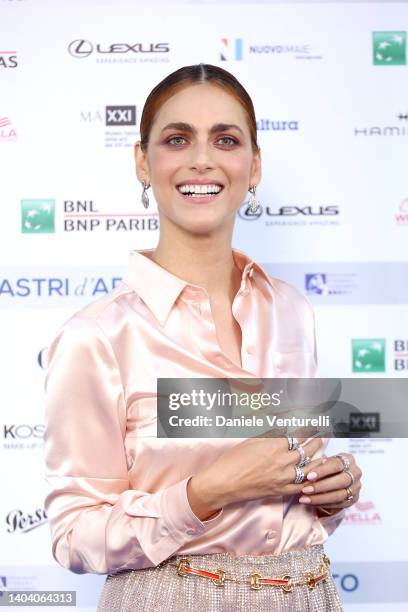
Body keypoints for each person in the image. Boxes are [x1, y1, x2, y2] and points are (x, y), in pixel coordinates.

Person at [44, 63, 362, 611]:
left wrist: (331, 493)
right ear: (143, 162)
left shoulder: (291, 311)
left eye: (226, 139)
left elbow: (288, 490)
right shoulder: (97, 337)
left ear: (254, 164)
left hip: (306, 594)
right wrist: (205, 493)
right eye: (177, 139)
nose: (202, 159)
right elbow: (73, 534)